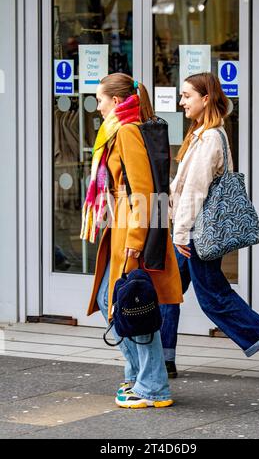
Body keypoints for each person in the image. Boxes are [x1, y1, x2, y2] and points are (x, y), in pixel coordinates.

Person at [160, 72, 259, 382]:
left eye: (187, 96)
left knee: (214, 298)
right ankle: (164, 358)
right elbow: (184, 185)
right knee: (167, 290)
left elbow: (196, 190)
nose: (182, 102)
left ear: (205, 98)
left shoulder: (209, 139)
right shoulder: (201, 134)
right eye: (181, 96)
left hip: (196, 233)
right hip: (191, 229)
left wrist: (179, 233)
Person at [81, 73, 183, 408]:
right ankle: (139, 376)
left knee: (131, 304)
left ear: (115, 100)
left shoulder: (125, 131)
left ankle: (152, 386)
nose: (97, 107)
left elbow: (143, 190)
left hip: (131, 228)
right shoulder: (121, 129)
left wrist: (137, 241)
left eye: (99, 100)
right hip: (123, 224)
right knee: (118, 301)